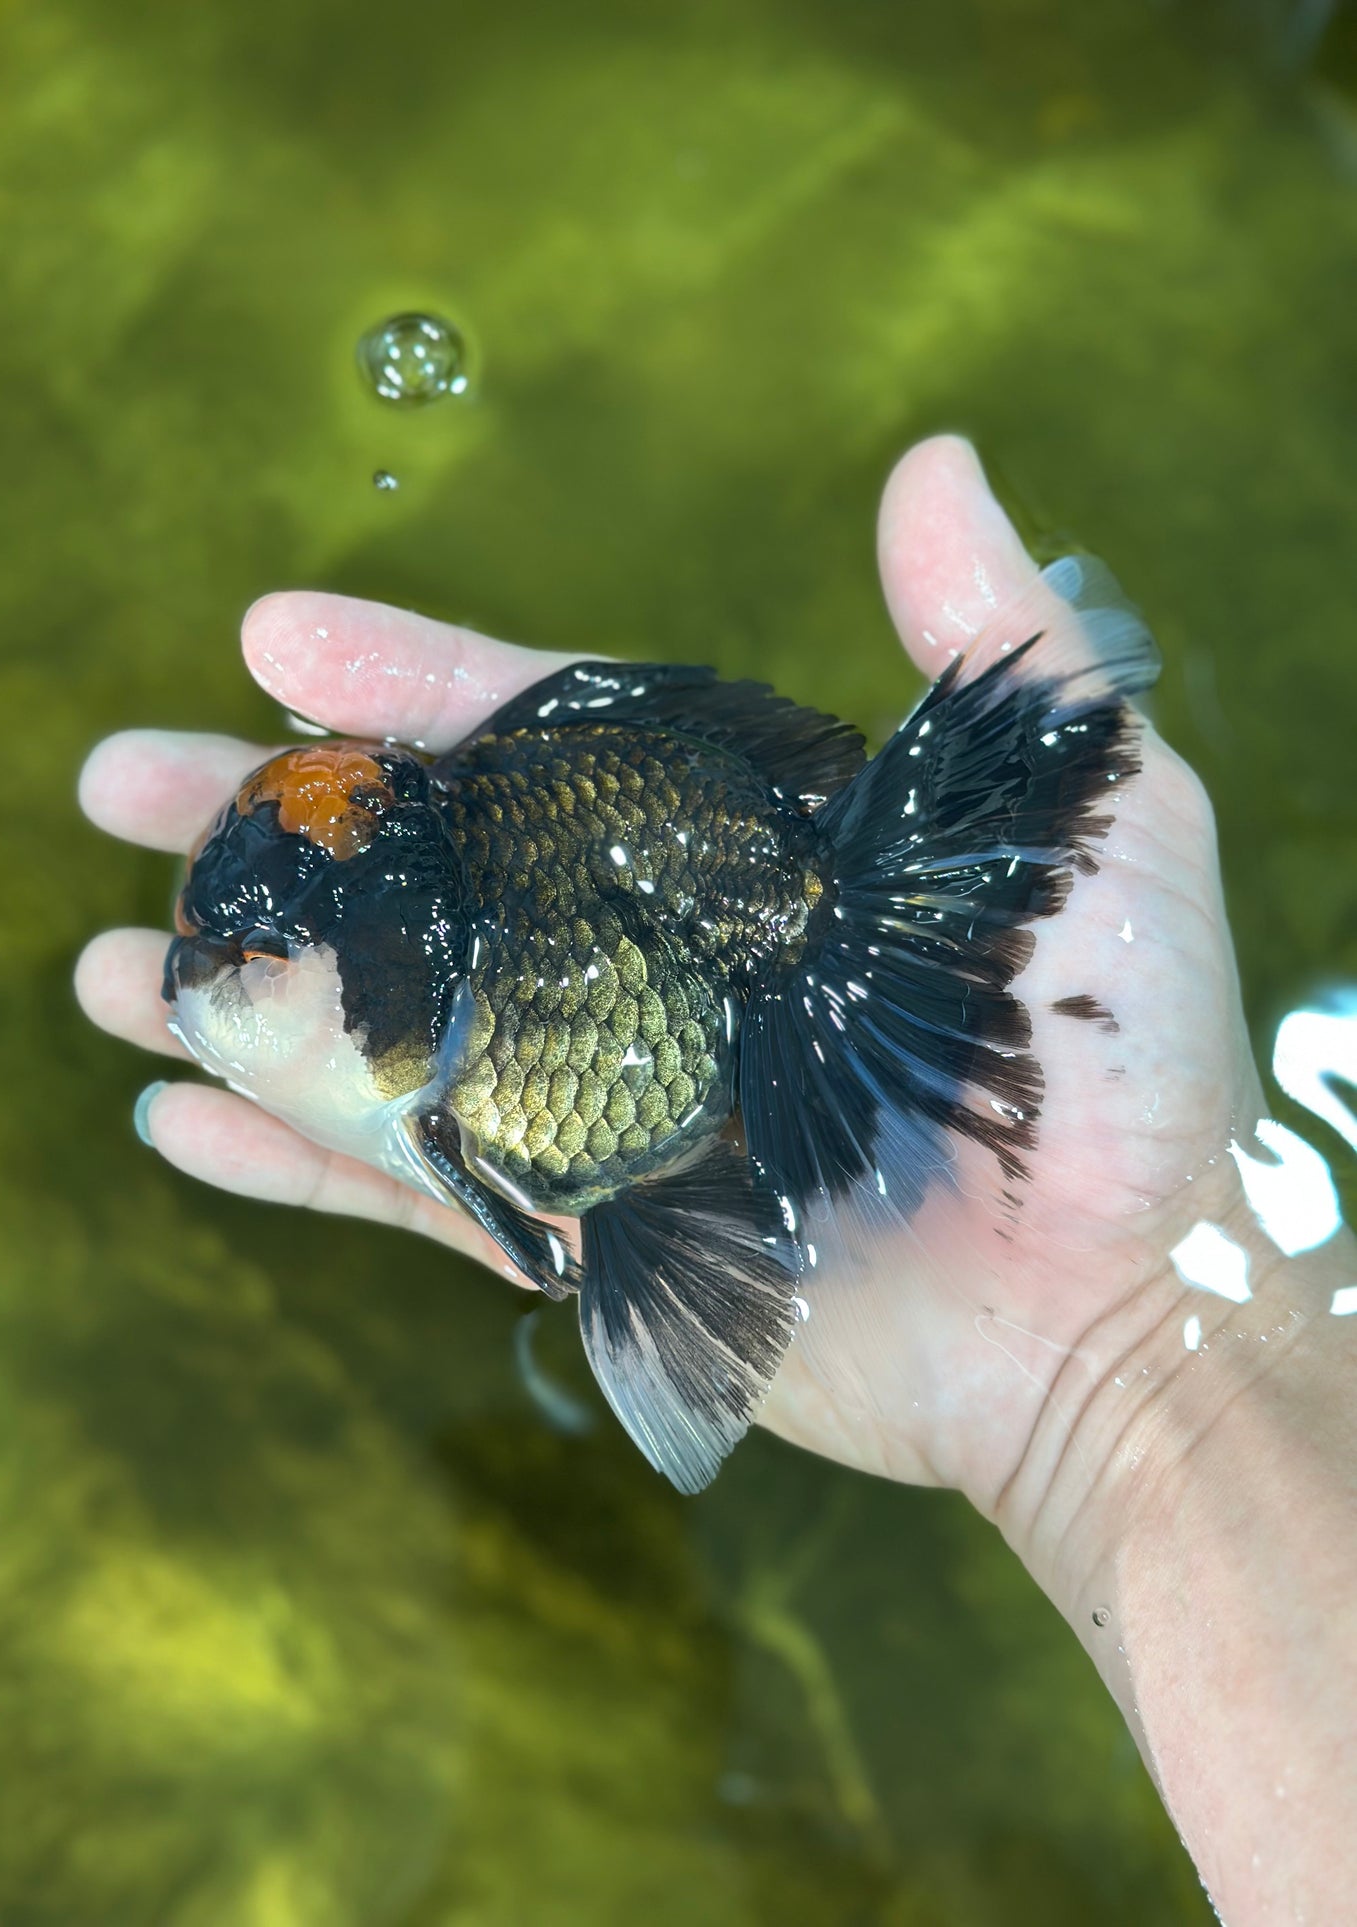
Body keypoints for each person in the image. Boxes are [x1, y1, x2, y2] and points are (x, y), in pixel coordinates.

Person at [76, 435, 1357, 1922]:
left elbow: (570, 1227)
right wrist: (1137, 1362)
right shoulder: (418, 1006)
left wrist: (1130, 1331)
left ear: (387, 981)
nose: (211, 977)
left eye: (261, 962)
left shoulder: (483, 1007)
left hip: (720, 929)